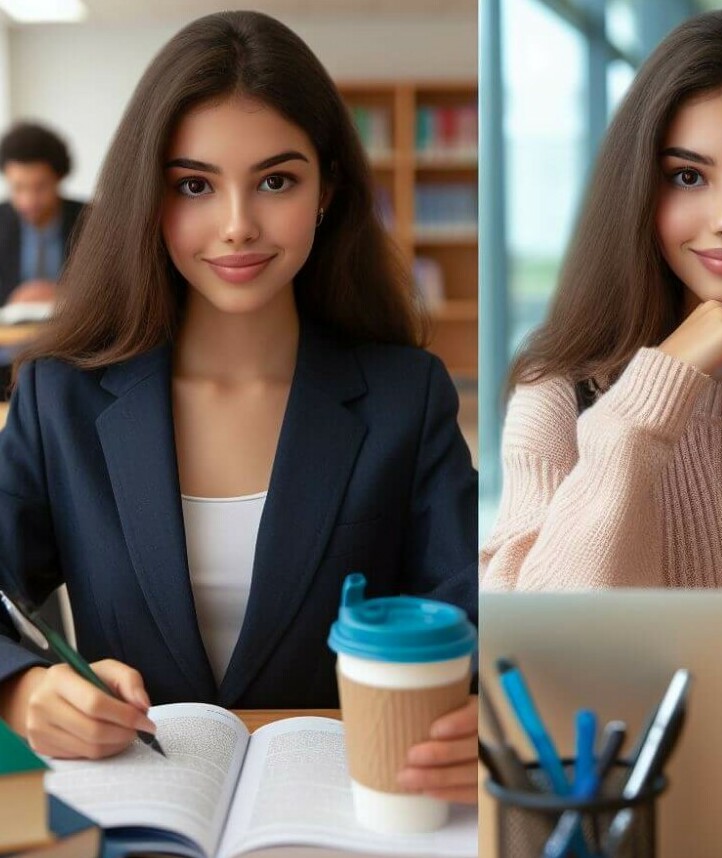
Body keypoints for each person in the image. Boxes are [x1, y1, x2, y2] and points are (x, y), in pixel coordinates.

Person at [0, 11, 478, 804]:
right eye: (194, 185)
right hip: (141, 817)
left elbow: (471, 604)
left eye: (276, 181)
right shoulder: (62, 396)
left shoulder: (406, 395)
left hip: (349, 816)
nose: (237, 226)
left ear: (326, 189)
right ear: (147, 200)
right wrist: (22, 692)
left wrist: (476, 709)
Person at [480, 8, 722, 591]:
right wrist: (651, 397)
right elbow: (535, 644)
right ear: (642, 189)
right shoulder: (560, 398)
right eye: (688, 177)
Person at [0, 122, 85, 305]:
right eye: (18, 187)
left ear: (59, 178)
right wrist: (13, 299)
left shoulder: (91, 220)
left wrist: (64, 295)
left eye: (40, 187)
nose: (29, 200)